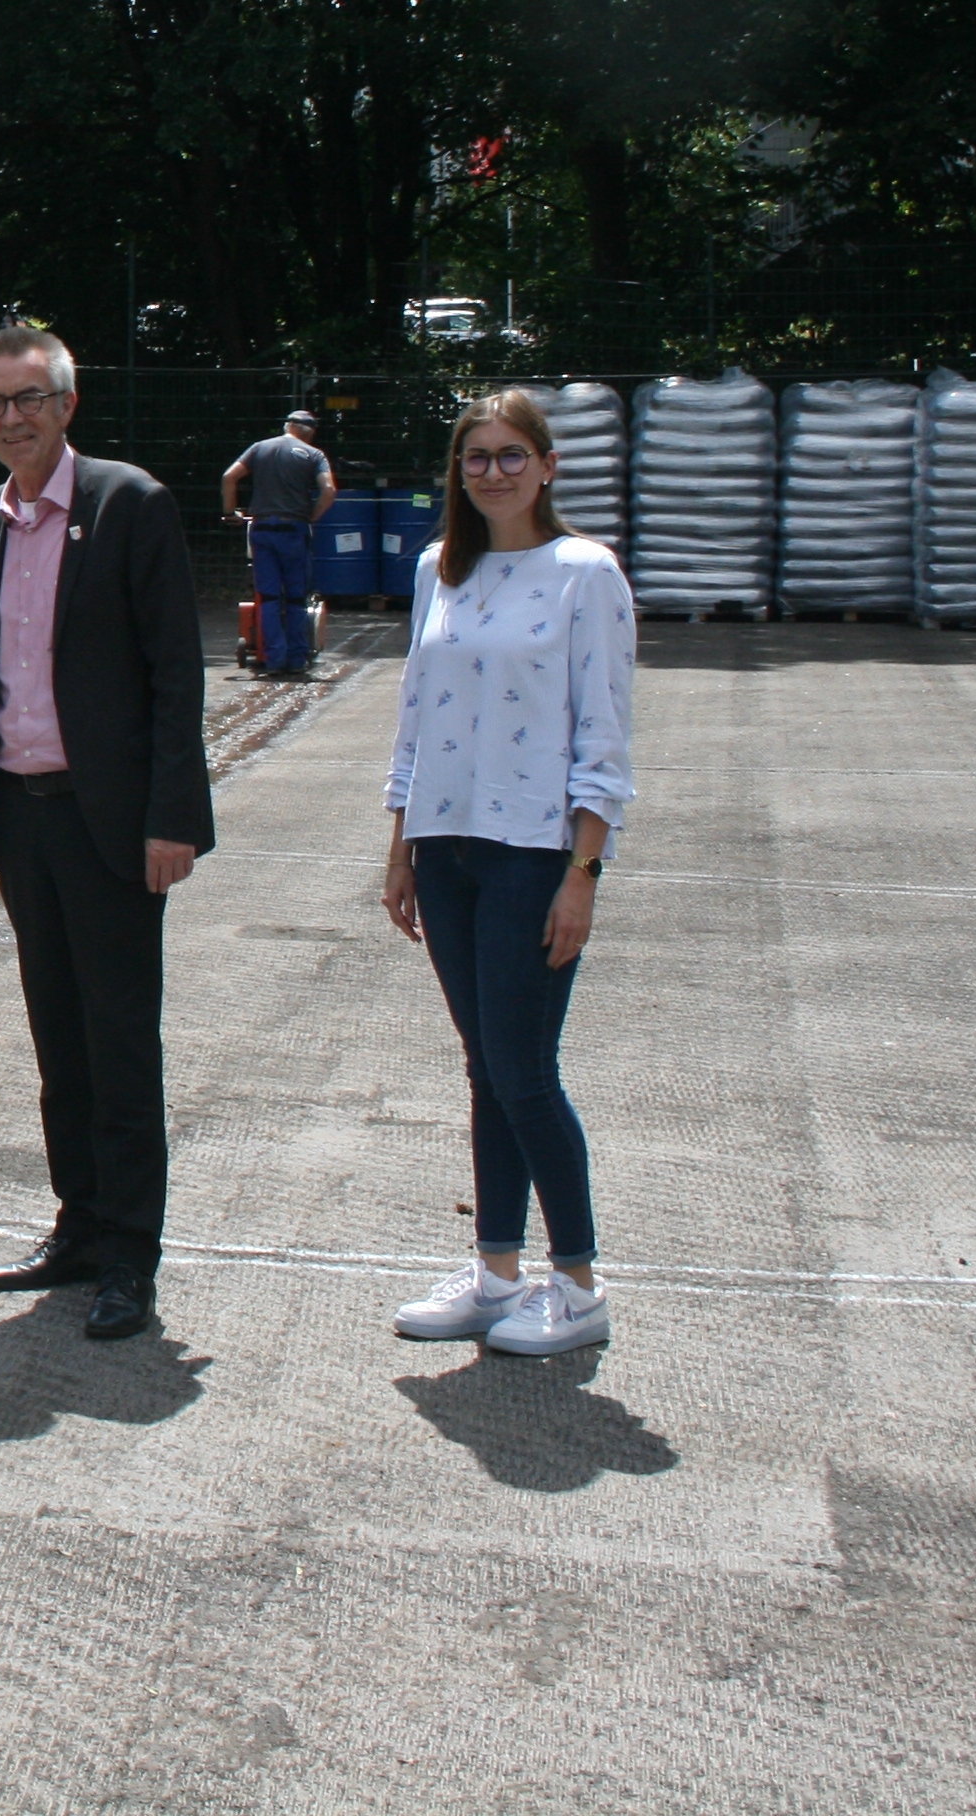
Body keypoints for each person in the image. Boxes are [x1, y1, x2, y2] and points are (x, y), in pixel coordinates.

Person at [0, 324, 212, 1343]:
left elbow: (177, 672)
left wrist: (172, 818)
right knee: (59, 1039)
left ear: (67, 402)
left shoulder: (127, 505)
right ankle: (80, 1227)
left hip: (113, 827)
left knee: (120, 1041)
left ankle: (131, 1257)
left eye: (30, 399)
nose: (14, 420)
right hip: (23, 817)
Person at [379, 388, 635, 1358]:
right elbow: (413, 718)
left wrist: (584, 873)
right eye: (475, 457)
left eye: (510, 455)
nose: (492, 472)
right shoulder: (439, 571)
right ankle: (496, 1272)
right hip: (445, 850)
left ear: (547, 465)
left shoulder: (584, 574)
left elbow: (604, 737)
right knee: (486, 1068)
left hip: (534, 855)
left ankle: (577, 1284)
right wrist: (399, 848)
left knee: (526, 1072)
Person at [222, 409, 337, 680]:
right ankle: (297, 659)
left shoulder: (259, 448)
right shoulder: (314, 455)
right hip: (294, 529)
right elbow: (329, 491)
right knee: (296, 597)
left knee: (269, 597)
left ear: (287, 426)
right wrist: (312, 516)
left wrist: (230, 512)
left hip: (262, 528)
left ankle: (273, 659)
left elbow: (229, 477)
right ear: (310, 432)